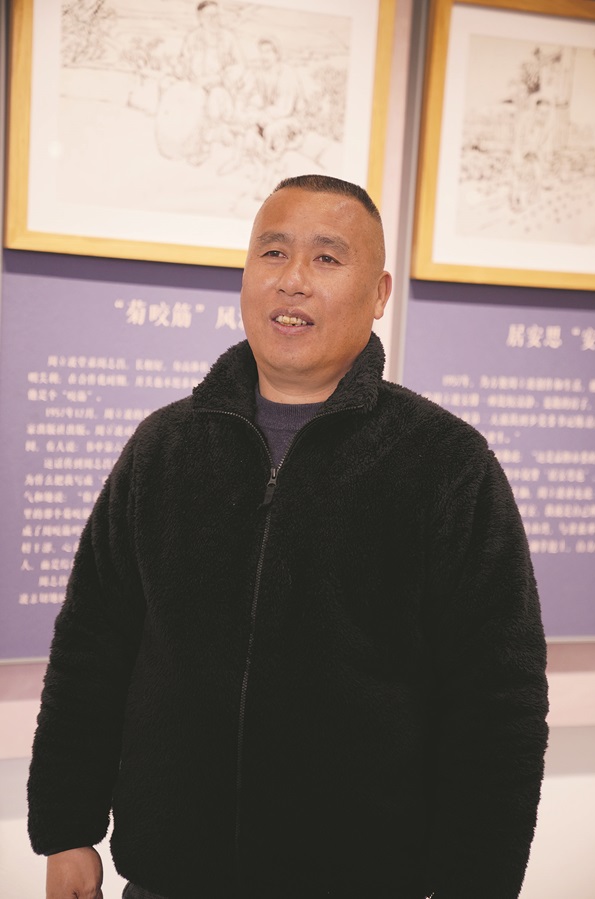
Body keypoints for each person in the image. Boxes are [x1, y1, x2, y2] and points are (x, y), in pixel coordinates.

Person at [28, 174, 549, 899]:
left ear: (379, 293)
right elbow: (92, 646)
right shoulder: (165, 448)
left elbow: (497, 698)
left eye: (327, 258)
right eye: (273, 252)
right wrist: (66, 826)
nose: (293, 279)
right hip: (168, 876)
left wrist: (477, 882)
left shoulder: (444, 464)